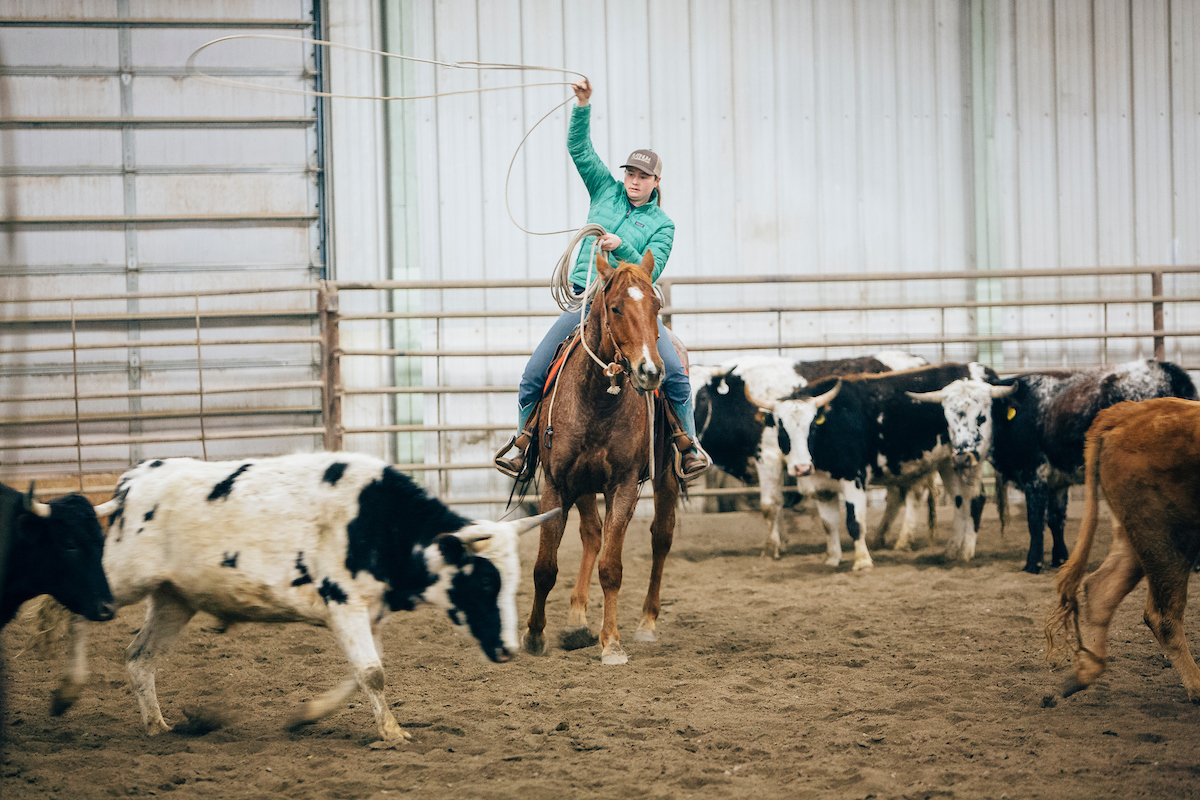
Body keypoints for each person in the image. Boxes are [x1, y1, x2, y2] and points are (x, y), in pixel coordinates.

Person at [494, 77, 709, 482]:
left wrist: (621, 246)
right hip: (585, 300)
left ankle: (687, 443)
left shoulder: (663, 224)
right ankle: (523, 442)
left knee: (675, 373)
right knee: (535, 372)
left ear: (656, 182)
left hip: (633, 306)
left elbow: (652, 269)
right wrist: (583, 105)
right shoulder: (604, 191)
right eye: (630, 173)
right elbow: (580, 150)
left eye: (642, 176)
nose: (633, 180)